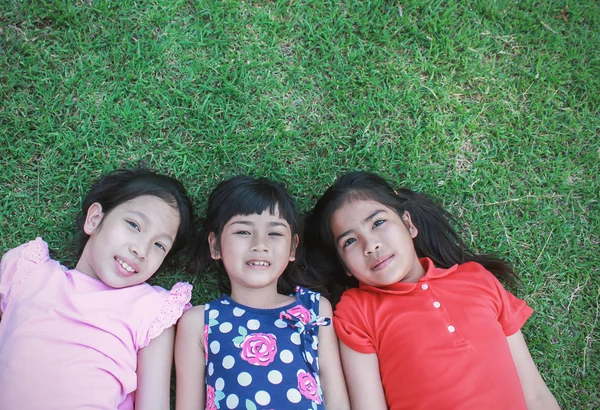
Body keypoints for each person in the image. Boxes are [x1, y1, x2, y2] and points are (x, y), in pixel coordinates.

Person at [303, 171, 560, 410]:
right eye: (350, 241)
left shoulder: (477, 279)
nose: (370, 245)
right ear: (345, 266)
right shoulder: (357, 310)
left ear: (409, 224)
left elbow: (535, 393)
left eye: (378, 222)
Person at [0, 168, 197, 410]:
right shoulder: (30, 272)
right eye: (134, 225)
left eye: (159, 245)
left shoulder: (151, 309)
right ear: (95, 220)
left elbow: (153, 403)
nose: (141, 250)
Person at [175, 176, 349, 410]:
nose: (260, 244)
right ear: (215, 246)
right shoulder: (198, 321)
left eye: (275, 234)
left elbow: (336, 397)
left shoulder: (315, 309)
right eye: (243, 232)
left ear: (293, 248)